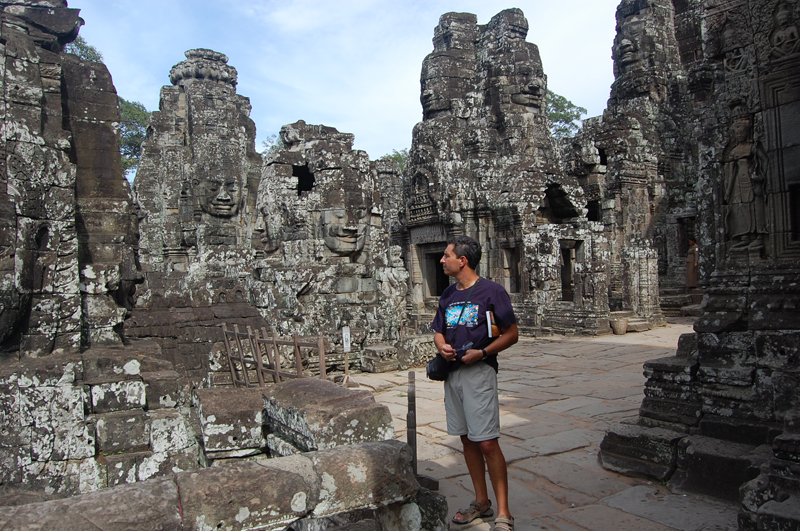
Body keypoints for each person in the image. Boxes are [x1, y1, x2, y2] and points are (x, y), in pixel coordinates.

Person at [432, 236, 519, 531]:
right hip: (452, 373)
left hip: (478, 372)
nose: (442, 260)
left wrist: (482, 352)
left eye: (446, 256)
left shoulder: (491, 292)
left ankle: (504, 512)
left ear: (462, 260)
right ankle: (481, 501)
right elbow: (438, 330)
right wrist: (441, 345)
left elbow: (510, 334)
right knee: (466, 438)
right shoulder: (448, 295)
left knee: (487, 441)